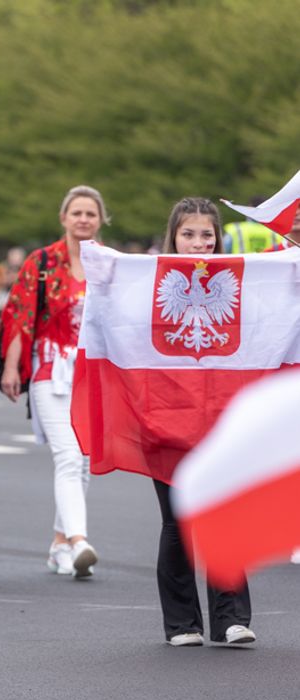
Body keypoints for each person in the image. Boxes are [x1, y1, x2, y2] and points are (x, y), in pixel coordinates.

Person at [152, 197, 254, 646]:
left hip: (221, 417)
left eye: (207, 234)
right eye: (188, 233)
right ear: (173, 235)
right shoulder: (148, 282)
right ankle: (182, 624)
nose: (198, 243)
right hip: (165, 415)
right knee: (178, 521)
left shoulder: (242, 279)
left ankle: (231, 618)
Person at [0, 186, 106, 579]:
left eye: (90, 214)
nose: (83, 219)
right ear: (63, 218)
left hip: (92, 373)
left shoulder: (107, 263)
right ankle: (79, 540)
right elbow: (20, 317)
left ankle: (60, 544)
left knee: (87, 463)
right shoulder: (41, 262)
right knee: (69, 456)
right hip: (51, 370)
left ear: (100, 220)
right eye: (76, 212)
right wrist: (12, 368)